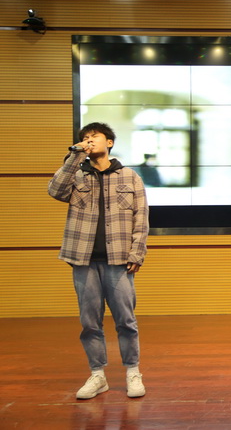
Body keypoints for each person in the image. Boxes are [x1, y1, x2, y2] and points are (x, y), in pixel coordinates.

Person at [48, 122, 149, 399]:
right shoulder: (76, 175)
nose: (89, 140)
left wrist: (137, 253)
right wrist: (75, 155)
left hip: (119, 260)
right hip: (83, 260)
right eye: (85, 138)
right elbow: (55, 190)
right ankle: (97, 375)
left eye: (94, 137)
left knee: (125, 320)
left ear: (110, 142)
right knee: (90, 322)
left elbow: (141, 218)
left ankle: (133, 372)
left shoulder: (130, 176)